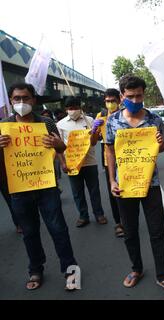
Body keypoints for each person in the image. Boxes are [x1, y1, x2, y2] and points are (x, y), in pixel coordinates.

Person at [105, 75, 164, 294]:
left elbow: (162, 149)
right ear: (122, 96)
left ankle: (162, 275)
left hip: (151, 184)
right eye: (130, 96)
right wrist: (111, 180)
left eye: (139, 95)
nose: (136, 100)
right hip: (124, 186)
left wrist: (160, 143)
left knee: (157, 231)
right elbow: (109, 151)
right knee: (130, 231)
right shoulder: (113, 121)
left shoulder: (154, 119)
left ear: (143, 94)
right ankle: (136, 269)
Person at [0, 83, 79, 290]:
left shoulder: (46, 123)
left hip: (46, 187)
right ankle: (35, 270)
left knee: (58, 229)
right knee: (29, 232)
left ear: (33, 100)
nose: (21, 103)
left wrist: (55, 144)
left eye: (25, 98)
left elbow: (62, 146)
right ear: (11, 100)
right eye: (17, 99)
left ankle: (70, 270)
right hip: (19, 189)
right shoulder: (3, 125)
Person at [57, 96, 107, 228]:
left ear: (80, 108)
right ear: (66, 109)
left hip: (90, 162)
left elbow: (94, 142)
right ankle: (83, 216)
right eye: (70, 108)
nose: (73, 110)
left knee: (94, 190)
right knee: (77, 192)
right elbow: (59, 147)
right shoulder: (60, 124)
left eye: (75, 108)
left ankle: (99, 214)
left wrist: (95, 131)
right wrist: (63, 163)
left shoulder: (89, 120)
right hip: (72, 164)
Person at [91, 88, 125, 237]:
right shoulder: (101, 116)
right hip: (109, 159)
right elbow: (94, 142)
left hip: (126, 158)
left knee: (127, 190)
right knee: (114, 192)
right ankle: (119, 223)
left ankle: (127, 219)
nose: (110, 104)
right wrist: (94, 130)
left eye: (113, 101)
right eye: (107, 101)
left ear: (119, 100)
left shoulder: (125, 115)